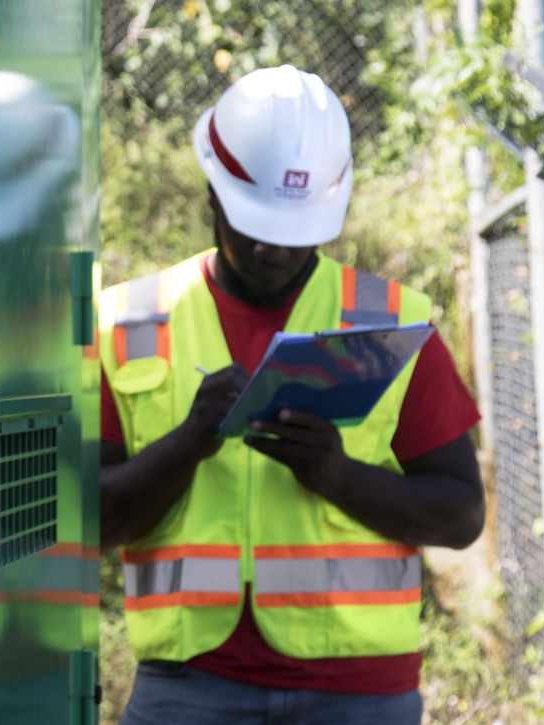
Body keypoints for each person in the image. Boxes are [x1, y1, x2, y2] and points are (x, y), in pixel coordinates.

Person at [98, 64, 485, 725]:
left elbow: (461, 515)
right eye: (257, 225)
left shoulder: (389, 323)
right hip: (186, 685)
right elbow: (87, 520)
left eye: (296, 229)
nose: (275, 248)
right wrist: (187, 444)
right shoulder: (129, 321)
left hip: (361, 694)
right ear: (213, 194)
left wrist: (338, 475)